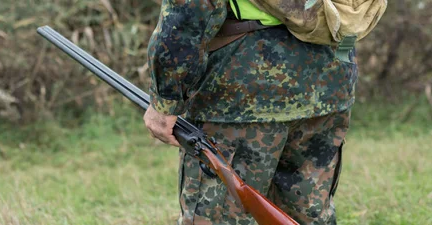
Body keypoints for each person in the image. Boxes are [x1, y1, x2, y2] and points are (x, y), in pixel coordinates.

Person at [143, 0, 357, 224]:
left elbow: (188, 11)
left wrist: (166, 98)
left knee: (223, 217)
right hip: (330, 80)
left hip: (241, 88)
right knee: (309, 215)